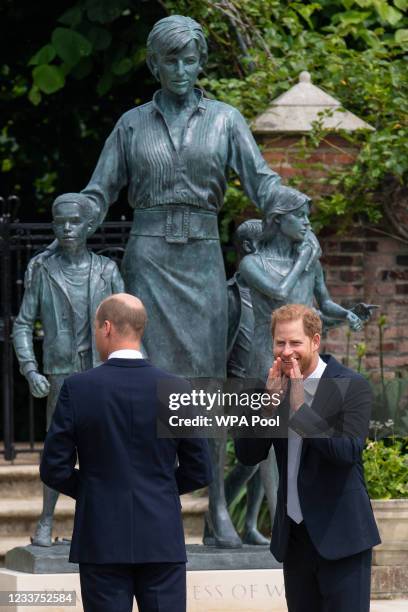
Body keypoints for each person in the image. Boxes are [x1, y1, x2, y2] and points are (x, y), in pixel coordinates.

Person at [40, 293, 212, 612]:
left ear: (107, 327)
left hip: (101, 537)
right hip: (161, 538)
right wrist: (159, 489)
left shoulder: (78, 389)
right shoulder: (176, 389)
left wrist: (96, 491)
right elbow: (200, 469)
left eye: (95, 328)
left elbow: (53, 468)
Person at [235, 304, 380, 612]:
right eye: (280, 342)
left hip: (342, 537)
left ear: (315, 341)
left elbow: (346, 453)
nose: (286, 351)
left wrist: (300, 409)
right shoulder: (269, 389)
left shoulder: (351, 385)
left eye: (295, 342)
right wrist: (267, 410)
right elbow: (248, 455)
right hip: (296, 540)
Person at [13, 193, 124, 547]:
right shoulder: (42, 269)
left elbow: (129, 324)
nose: (67, 228)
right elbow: (22, 324)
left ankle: (98, 524)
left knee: (105, 449)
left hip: (102, 372)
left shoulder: (107, 270)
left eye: (74, 221)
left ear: (89, 226)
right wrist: (30, 369)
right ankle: (46, 520)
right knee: (58, 449)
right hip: (61, 373)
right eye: (59, 222)